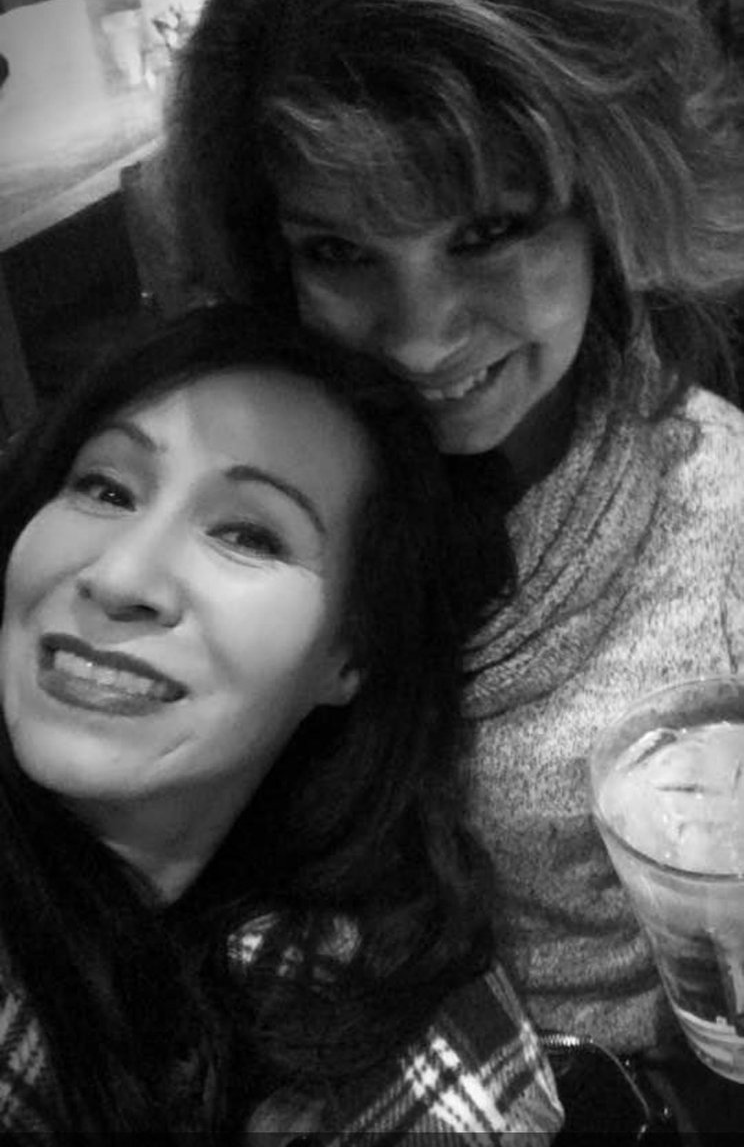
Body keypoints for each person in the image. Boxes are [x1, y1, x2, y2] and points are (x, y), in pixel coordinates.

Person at [166, 0, 744, 1124]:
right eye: (340, 252)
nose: (421, 338)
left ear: (607, 208)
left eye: (488, 231)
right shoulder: (229, 490)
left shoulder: (718, 516)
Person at [0, 302, 562, 1139]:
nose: (120, 578)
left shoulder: (375, 994)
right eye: (104, 488)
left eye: (249, 536)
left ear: (351, 655)